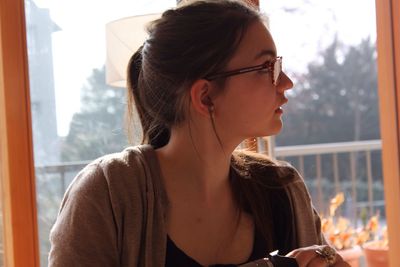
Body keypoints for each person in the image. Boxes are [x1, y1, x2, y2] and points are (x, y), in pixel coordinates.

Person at [48, 1, 351, 266]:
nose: (286, 82)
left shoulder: (283, 190)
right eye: (266, 66)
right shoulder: (108, 193)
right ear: (205, 96)